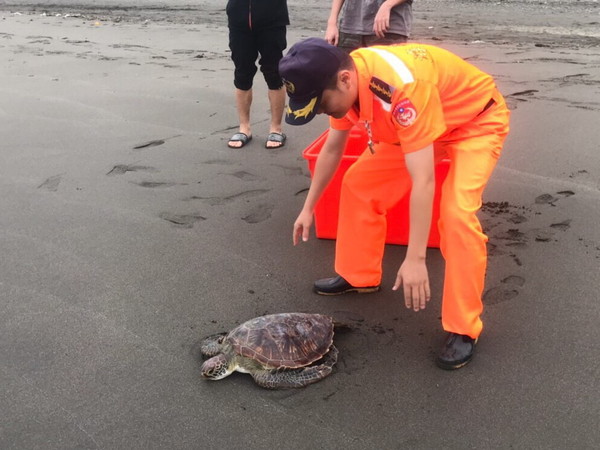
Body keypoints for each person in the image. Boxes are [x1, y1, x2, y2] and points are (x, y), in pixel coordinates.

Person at [279, 38, 510, 370]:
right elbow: (333, 148)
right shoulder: (343, 78)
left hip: (473, 124)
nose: (320, 111)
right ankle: (358, 275)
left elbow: (424, 180)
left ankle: (463, 328)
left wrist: (415, 258)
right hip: (420, 126)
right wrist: (308, 207)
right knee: (359, 184)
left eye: (321, 104)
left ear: (345, 80)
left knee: (457, 215)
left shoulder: (400, 89)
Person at [225, 0, 289, 149]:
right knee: (242, 72)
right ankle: (244, 128)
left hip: (272, 20)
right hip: (238, 19)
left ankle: (276, 128)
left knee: (274, 73)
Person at [325, 0, 413, 52]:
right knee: (348, 79)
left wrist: (387, 5)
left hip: (387, 29)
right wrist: (332, 22)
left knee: (385, 79)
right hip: (350, 28)